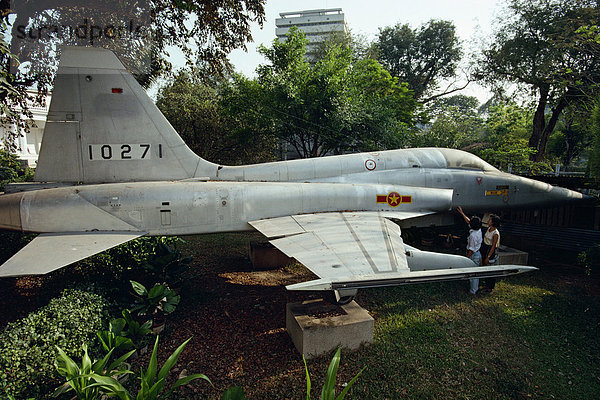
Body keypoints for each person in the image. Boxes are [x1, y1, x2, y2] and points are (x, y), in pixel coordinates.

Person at [457, 206, 482, 294]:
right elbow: (468, 221)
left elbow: (471, 249)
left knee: (473, 274)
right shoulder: (478, 230)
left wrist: (466, 258)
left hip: (473, 255)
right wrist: (462, 213)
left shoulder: (473, 236)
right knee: (474, 272)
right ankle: (473, 287)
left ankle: (473, 291)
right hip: (477, 254)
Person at [480, 214, 501, 291]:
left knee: (490, 268)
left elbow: (493, 246)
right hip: (485, 248)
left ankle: (490, 286)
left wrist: (488, 257)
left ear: (493, 222)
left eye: (489, 220)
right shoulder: (488, 229)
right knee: (485, 267)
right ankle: (486, 283)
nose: (488, 221)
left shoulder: (495, 233)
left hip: (490, 250)